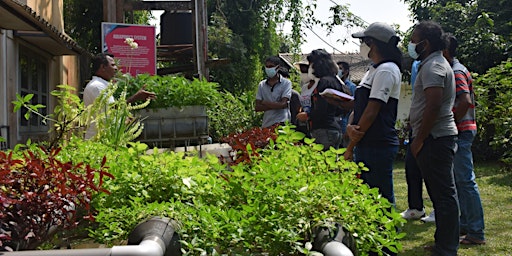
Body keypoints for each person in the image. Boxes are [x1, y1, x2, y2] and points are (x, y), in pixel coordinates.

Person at [408, 21, 459, 255]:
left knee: (444, 196)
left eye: (413, 39)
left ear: (425, 44)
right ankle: (443, 243)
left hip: (435, 139)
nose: (411, 44)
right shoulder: (432, 64)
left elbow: (434, 105)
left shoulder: (433, 67)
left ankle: (447, 248)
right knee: (440, 196)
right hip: (434, 138)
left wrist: (419, 139)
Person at [344, 22, 402, 208]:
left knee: (381, 197)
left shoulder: (387, 69)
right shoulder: (373, 69)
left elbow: (372, 110)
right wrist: (350, 125)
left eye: (364, 41)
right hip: (366, 142)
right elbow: (359, 106)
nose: (361, 46)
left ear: (374, 44)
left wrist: (351, 144)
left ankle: (388, 234)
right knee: (367, 196)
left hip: (378, 143)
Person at [443, 33, 486, 245]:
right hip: (462, 129)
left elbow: (464, 101)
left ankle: (476, 232)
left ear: (446, 51)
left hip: (461, 131)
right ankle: (467, 226)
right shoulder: (455, 69)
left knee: (465, 181)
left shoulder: (456, 71)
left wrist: (449, 123)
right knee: (460, 181)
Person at [83, 53, 156, 139]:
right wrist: (136, 97)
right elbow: (111, 109)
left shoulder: (102, 85)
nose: (116, 68)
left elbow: (110, 111)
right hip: (97, 139)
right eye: (113, 65)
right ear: (103, 67)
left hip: (105, 138)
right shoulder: (97, 86)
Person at [296, 49, 345, 150]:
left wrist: (307, 115)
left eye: (310, 64)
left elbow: (321, 108)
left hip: (324, 130)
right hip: (333, 128)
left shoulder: (324, 82)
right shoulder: (335, 80)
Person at [255, 56, 292, 128]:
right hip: (267, 123)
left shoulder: (286, 83)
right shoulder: (262, 85)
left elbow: (283, 104)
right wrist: (277, 105)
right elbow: (257, 107)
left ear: (277, 67)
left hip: (282, 122)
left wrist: (264, 102)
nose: (268, 68)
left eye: (271, 66)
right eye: (267, 66)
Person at [337, 61, 357, 147]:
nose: (338, 71)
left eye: (340, 69)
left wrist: (349, 126)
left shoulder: (351, 87)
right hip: (336, 124)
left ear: (346, 71)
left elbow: (354, 107)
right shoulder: (335, 85)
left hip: (346, 123)